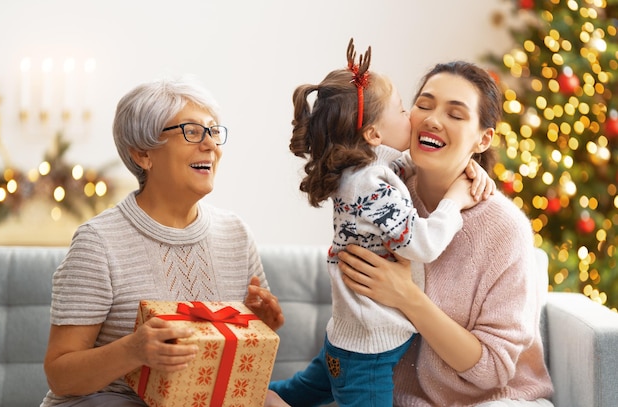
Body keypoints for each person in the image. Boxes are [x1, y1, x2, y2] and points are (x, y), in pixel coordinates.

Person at [269, 40, 494, 407]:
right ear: (373, 134)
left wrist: (466, 164)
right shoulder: (370, 183)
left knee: (292, 395)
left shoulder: (365, 171)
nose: (416, 119)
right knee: (295, 394)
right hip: (367, 354)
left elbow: (399, 166)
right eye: (408, 109)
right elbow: (422, 244)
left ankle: (239, 395)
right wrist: (455, 200)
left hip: (349, 340)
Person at [41, 76, 284, 407]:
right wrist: (133, 349)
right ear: (142, 154)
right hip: (110, 400)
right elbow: (60, 374)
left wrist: (260, 327)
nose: (211, 145)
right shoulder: (98, 242)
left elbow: (233, 354)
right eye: (192, 132)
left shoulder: (236, 234)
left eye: (213, 131)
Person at [336, 61, 554, 406]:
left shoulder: (505, 229)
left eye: (456, 114)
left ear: (483, 139)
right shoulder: (383, 194)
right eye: (423, 105)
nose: (433, 119)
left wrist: (407, 297)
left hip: (492, 399)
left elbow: (492, 370)